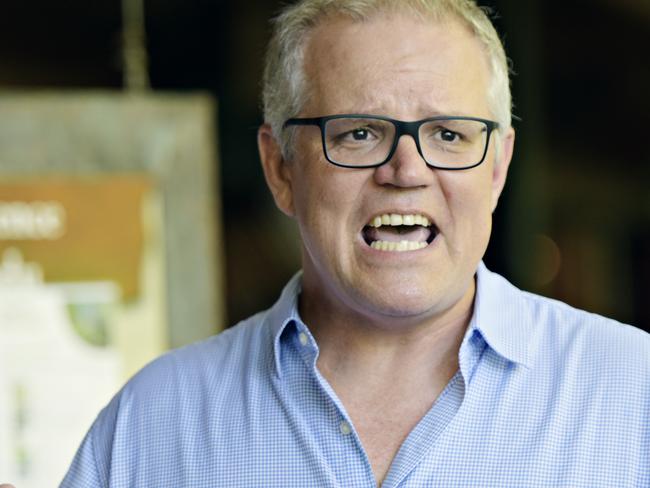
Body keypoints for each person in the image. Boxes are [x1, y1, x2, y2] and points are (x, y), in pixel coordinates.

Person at [56, 0, 649, 486]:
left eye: (448, 134)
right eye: (360, 133)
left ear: (496, 168)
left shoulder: (633, 395)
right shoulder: (151, 426)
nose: (407, 170)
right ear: (280, 168)